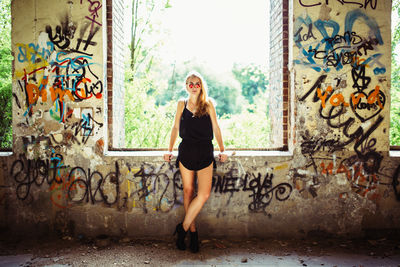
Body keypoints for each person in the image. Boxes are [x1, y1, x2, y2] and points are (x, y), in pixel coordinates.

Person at [163, 71, 228, 253]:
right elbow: (175, 127)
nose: (193, 86)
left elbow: (216, 127)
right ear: (186, 86)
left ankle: (182, 228)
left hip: (206, 151)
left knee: (204, 194)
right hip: (186, 151)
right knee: (188, 191)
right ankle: (193, 233)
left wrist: (223, 150)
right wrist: (169, 150)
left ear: (201, 86)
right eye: (190, 83)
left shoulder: (208, 104)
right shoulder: (181, 104)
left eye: (196, 83)